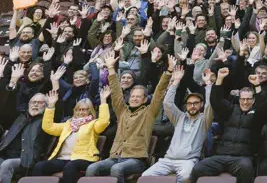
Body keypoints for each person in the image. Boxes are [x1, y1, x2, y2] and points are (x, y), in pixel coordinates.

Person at [87, 50, 171, 183]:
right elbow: (116, 93)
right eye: (132, 96)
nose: (134, 99)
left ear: (144, 100)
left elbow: (159, 93)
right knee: (92, 168)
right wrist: (111, 69)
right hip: (115, 156)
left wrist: (168, 73)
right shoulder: (122, 111)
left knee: (116, 169)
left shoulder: (149, 112)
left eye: (138, 97)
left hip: (135, 159)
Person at [0, 63, 52, 183]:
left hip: (25, 159)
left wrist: (53, 97)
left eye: (39, 103)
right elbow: (7, 104)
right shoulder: (19, 117)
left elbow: (57, 107)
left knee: (7, 165)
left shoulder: (47, 119)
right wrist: (12, 81)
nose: (35, 105)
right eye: (33, 102)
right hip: (4, 155)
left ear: (46, 106)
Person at [141, 63, 213, 183]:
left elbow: (209, 106)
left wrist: (208, 85)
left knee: (186, 178)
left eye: (196, 103)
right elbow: (167, 104)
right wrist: (175, 82)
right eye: (189, 103)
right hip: (167, 160)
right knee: (145, 177)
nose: (192, 106)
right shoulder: (179, 117)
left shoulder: (204, 120)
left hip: (188, 161)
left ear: (201, 104)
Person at [189, 78, 267, 183]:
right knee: (198, 169)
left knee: (246, 169)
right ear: (239, 100)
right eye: (242, 99)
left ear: (253, 100)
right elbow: (216, 101)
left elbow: (264, 107)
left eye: (248, 99)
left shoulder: (257, 115)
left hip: (241, 158)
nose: (245, 102)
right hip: (220, 156)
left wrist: (257, 86)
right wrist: (220, 79)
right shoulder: (230, 110)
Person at [33, 87, 111, 183]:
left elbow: (104, 122)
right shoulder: (68, 124)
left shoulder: (93, 124)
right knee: (40, 166)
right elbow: (48, 127)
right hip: (62, 159)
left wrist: (103, 102)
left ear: (90, 111)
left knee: (70, 166)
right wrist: (51, 106)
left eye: (84, 110)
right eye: (78, 110)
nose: (81, 112)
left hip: (84, 159)